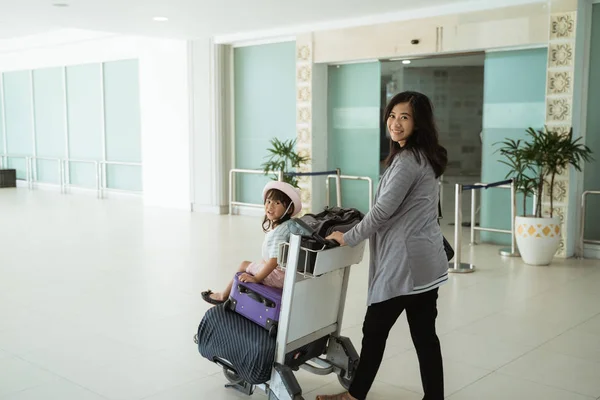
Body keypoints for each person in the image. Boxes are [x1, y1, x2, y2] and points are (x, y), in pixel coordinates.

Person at [317, 91, 449, 400]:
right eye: (392, 115)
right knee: (425, 336)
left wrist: (347, 237)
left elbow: (382, 212)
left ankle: (354, 396)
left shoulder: (407, 162)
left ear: (419, 124)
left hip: (405, 264)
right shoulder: (423, 157)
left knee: (374, 330)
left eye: (405, 117)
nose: (395, 123)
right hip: (426, 261)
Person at [202, 181, 302, 305]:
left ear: (289, 208)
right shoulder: (290, 224)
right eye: (268, 201)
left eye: (277, 203)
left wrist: (256, 278)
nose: (270, 207)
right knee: (258, 264)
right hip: (289, 273)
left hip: (280, 277)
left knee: (244, 265)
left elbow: (273, 261)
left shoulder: (279, 233)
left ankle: (223, 295)